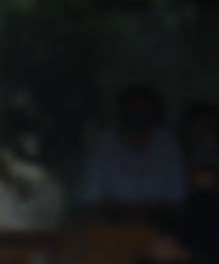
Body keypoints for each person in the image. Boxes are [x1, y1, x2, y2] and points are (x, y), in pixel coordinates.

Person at [79, 83, 185, 214]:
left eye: (144, 112)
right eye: (133, 112)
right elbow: (91, 197)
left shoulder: (167, 146)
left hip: (159, 222)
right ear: (123, 113)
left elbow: (177, 197)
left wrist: (146, 212)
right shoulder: (105, 144)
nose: (138, 119)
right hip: (113, 222)